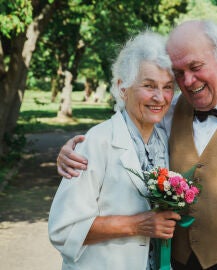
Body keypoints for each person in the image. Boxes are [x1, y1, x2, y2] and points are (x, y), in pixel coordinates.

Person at [56, 20, 217, 270]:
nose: (189, 81)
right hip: (179, 263)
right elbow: (128, 125)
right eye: (179, 73)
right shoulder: (169, 112)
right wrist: (75, 150)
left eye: (196, 66)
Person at [48, 31, 181, 270]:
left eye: (168, 87)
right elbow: (62, 229)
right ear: (122, 88)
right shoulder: (97, 142)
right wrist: (137, 225)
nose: (160, 97)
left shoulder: (165, 137)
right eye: (149, 85)